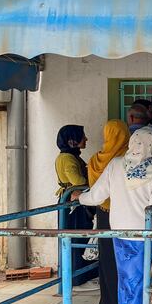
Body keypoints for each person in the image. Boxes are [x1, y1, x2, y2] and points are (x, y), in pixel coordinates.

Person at [76, 127, 152, 304]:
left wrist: (79, 197)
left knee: (126, 280)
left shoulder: (115, 165)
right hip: (145, 235)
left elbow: (96, 196)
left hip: (120, 234)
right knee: (143, 279)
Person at [87, 120, 131, 304]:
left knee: (107, 262)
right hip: (124, 214)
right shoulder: (125, 159)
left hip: (103, 213)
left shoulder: (95, 160)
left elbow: (95, 191)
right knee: (126, 263)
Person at [55, 124, 98, 289]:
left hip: (73, 202)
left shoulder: (70, 156)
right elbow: (78, 182)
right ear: (72, 140)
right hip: (73, 204)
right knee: (76, 238)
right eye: (82, 136)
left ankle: (81, 276)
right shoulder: (67, 158)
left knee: (78, 238)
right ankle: (78, 279)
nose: (86, 139)